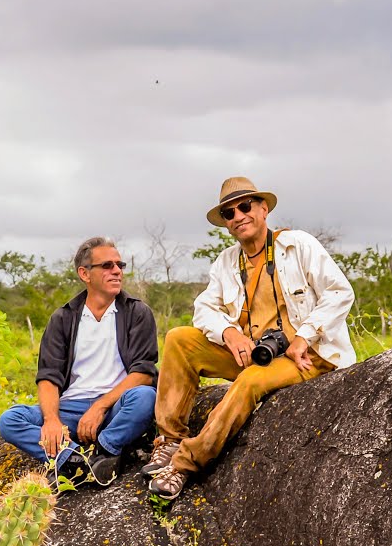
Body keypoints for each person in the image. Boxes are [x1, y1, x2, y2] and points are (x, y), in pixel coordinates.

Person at [144, 177, 355, 500]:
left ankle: (184, 464)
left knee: (250, 381)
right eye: (229, 213)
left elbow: (340, 292)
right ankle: (170, 439)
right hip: (256, 352)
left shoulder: (298, 245)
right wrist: (229, 333)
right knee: (178, 339)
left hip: (307, 355)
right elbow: (204, 309)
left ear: (264, 209)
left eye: (245, 206)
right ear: (226, 224)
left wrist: (303, 336)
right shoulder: (228, 262)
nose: (238, 216)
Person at [0, 236, 158, 489]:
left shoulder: (137, 313)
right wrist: (52, 420)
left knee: (146, 397)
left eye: (120, 265)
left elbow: (143, 373)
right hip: (71, 409)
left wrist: (101, 407)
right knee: (10, 420)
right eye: (107, 266)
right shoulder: (63, 318)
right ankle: (71, 458)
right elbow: (49, 377)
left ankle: (106, 450)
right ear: (85, 273)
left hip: (117, 405)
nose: (117, 271)